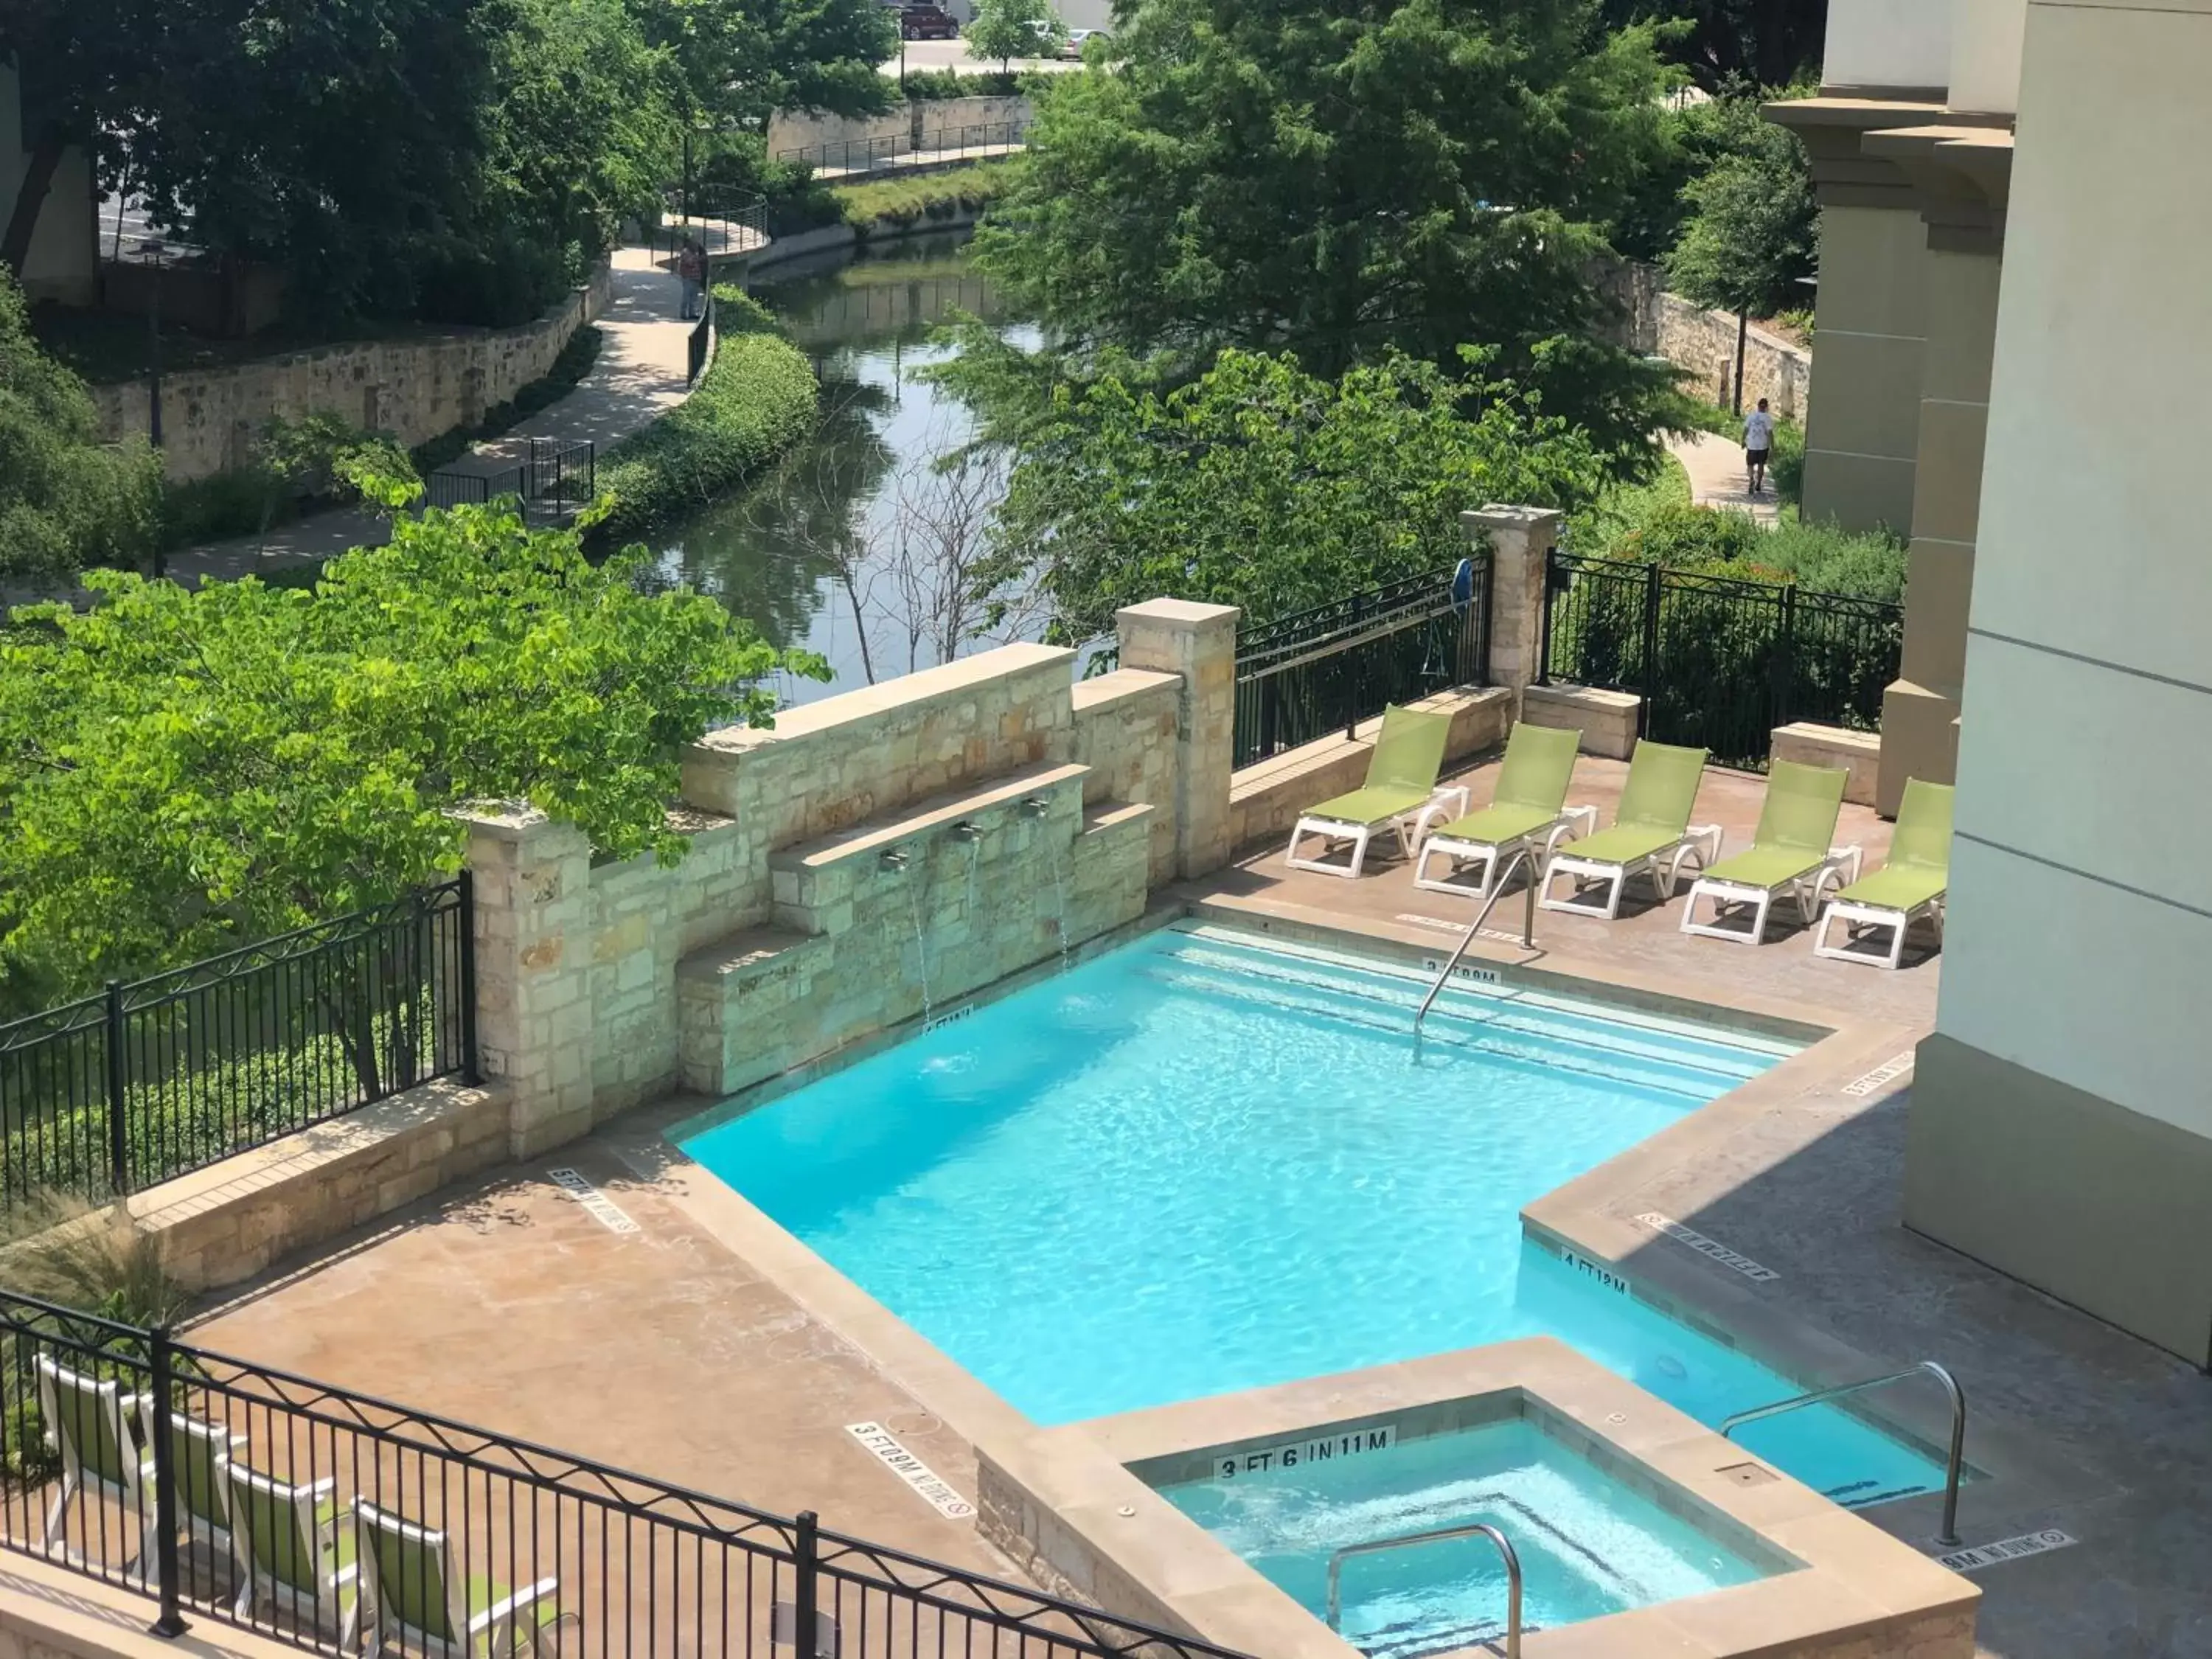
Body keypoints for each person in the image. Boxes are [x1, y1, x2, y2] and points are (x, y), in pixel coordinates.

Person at [1743, 397, 1775, 497]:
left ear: (1758, 406)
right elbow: (1770, 432)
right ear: (1766, 407)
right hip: (1763, 445)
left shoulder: (1751, 416)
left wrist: (1742, 441)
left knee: (1750, 465)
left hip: (1752, 444)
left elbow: (1745, 429)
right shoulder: (1768, 418)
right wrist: (1773, 445)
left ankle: (1751, 479)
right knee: (1761, 464)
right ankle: (1758, 483)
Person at [677, 240, 704, 321]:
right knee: (686, 296)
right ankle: (683, 313)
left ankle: (692, 313)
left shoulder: (695, 253)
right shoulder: (686, 252)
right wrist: (699, 258)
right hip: (688, 277)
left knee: (694, 297)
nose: (696, 245)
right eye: (695, 243)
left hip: (696, 277)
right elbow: (690, 262)